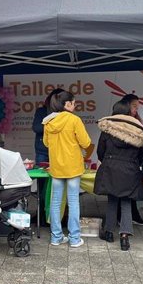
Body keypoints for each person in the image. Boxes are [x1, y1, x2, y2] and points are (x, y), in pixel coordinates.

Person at [94, 100, 143, 251]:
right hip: (130, 169)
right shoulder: (137, 131)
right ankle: (124, 237)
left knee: (112, 200)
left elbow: (100, 152)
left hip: (111, 167)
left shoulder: (107, 129)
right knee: (126, 202)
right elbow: (141, 155)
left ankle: (109, 232)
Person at [43, 90, 92, 248]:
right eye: (74, 102)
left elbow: (46, 143)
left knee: (55, 203)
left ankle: (56, 237)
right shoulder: (74, 120)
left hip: (57, 167)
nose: (75, 105)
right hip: (73, 167)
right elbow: (86, 142)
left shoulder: (48, 122)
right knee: (73, 202)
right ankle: (74, 238)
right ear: (67, 104)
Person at [118, 93, 143, 226]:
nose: (136, 109)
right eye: (134, 106)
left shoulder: (138, 120)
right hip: (124, 162)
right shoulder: (120, 122)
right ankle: (122, 218)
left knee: (132, 191)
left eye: (138, 106)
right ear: (126, 106)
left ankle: (133, 215)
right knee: (122, 192)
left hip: (136, 161)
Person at [31, 88, 64, 164]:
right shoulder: (41, 111)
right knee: (41, 174)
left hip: (61, 151)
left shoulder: (66, 114)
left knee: (59, 174)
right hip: (43, 151)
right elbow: (36, 128)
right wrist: (53, 126)